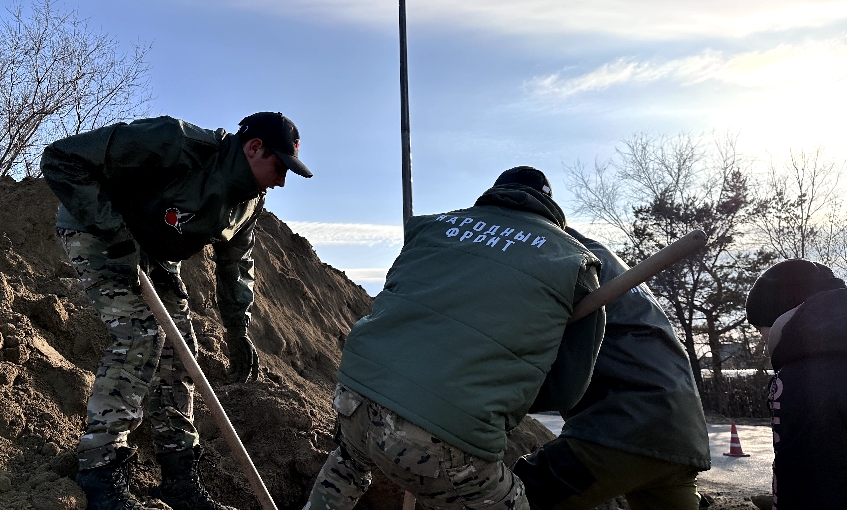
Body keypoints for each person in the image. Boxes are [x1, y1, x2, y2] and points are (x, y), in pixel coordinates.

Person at [41, 112, 312, 510]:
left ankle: (179, 479)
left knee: (182, 352)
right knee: (140, 334)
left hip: (154, 251)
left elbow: (235, 265)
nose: (282, 180)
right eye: (279, 166)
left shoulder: (249, 202)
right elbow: (61, 158)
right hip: (97, 230)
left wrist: (238, 330)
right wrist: (114, 234)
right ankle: (99, 470)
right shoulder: (177, 142)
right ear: (254, 147)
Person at [302, 167, 605, 510]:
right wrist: (496, 398)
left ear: (495, 192)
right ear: (548, 205)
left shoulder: (432, 226)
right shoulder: (572, 261)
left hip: (355, 396)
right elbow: (568, 388)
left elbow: (397, 300)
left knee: (348, 464)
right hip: (447, 438)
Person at [513, 228, 711, 510]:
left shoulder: (556, 254)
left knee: (502, 498)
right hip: (681, 435)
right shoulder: (612, 265)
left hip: (619, 431)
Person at [744, 259, 847, 509]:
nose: (763, 343)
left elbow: (802, 473)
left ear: (784, 316)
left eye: (761, 330)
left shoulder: (799, 378)